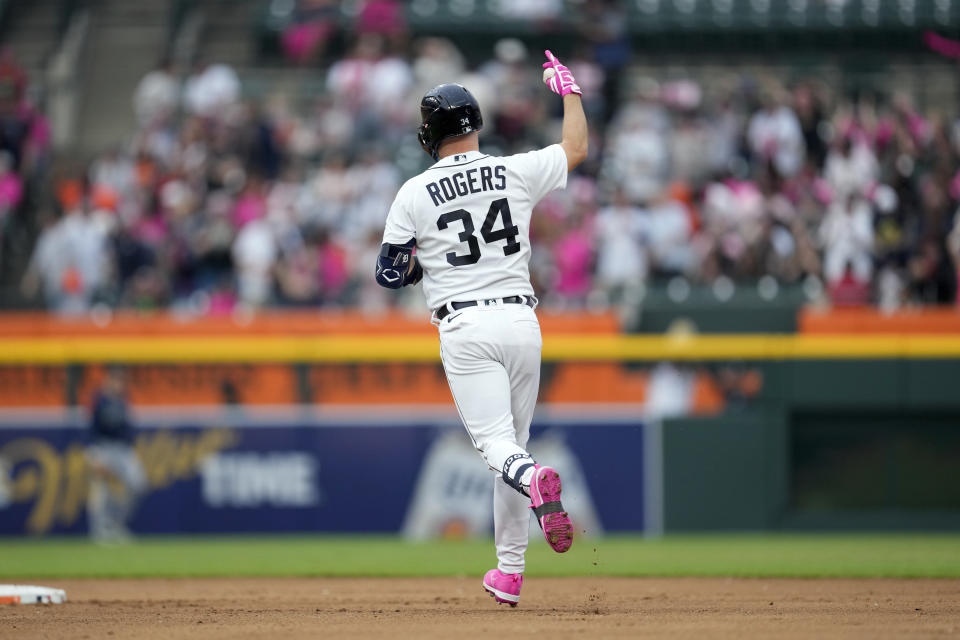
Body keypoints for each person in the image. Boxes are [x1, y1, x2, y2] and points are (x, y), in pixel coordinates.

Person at [375, 50, 588, 607]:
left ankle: (535, 478)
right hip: (522, 319)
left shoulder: (414, 192)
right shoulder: (513, 168)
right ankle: (510, 572)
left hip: (466, 326)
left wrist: (427, 266)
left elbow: (389, 271)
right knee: (511, 450)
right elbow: (577, 150)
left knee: (500, 450)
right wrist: (569, 92)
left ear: (432, 131)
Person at [86, 366, 147, 543]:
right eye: (115, 380)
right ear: (108, 381)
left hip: (122, 450)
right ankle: (99, 532)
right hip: (102, 447)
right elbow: (90, 428)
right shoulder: (99, 399)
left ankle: (116, 525)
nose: (119, 384)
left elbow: (129, 428)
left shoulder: (124, 400)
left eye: (121, 380)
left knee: (138, 483)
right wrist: (93, 454)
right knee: (100, 490)